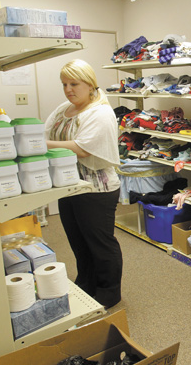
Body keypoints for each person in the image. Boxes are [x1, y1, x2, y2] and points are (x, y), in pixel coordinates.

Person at [45, 59, 123, 309]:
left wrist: (39, 145)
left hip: (95, 190)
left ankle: (109, 293)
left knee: (100, 243)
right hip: (68, 186)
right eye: (64, 84)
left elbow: (81, 148)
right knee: (78, 242)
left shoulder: (99, 112)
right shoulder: (63, 110)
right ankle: (87, 284)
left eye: (74, 83)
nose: (68, 89)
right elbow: (45, 132)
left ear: (90, 85)